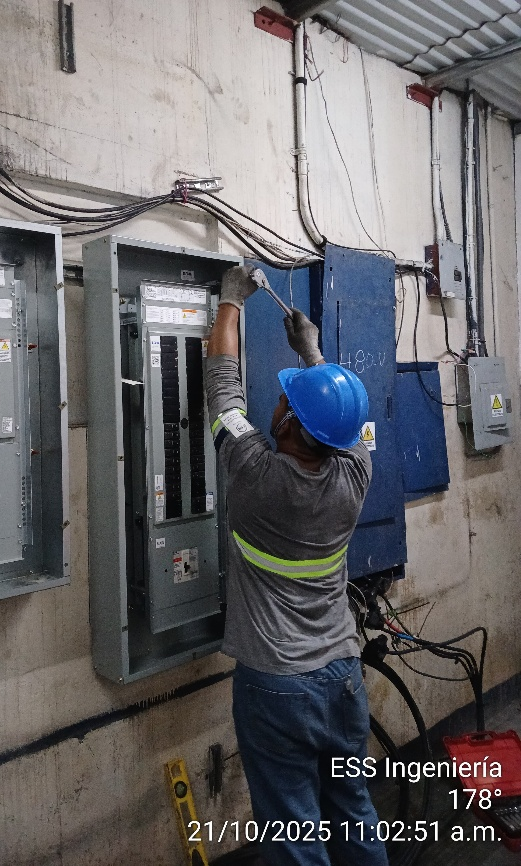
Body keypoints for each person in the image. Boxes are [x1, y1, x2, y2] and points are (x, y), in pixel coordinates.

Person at [205, 265, 388, 866]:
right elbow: (346, 419)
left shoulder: (255, 474)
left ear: (286, 422)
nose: (277, 401)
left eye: (285, 400)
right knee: (353, 808)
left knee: (293, 832)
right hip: (341, 675)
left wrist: (230, 299)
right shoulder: (356, 472)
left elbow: (223, 389)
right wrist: (312, 354)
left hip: (276, 685)